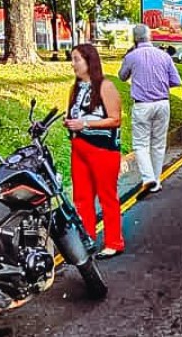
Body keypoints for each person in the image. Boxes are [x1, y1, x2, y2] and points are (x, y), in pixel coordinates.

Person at [63, 44, 125, 259]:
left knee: (107, 196)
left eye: (76, 59)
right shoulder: (75, 89)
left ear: (89, 61)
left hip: (103, 149)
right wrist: (70, 123)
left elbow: (115, 119)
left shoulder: (105, 86)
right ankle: (87, 237)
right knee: (82, 197)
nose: (73, 64)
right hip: (79, 147)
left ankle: (113, 241)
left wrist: (86, 124)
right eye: (72, 59)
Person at [119, 24, 182, 198]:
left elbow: (122, 77)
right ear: (150, 37)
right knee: (158, 145)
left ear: (134, 39)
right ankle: (156, 182)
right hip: (162, 103)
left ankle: (148, 179)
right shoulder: (164, 56)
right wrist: (160, 84)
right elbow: (176, 81)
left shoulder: (131, 56)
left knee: (140, 145)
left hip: (142, 105)